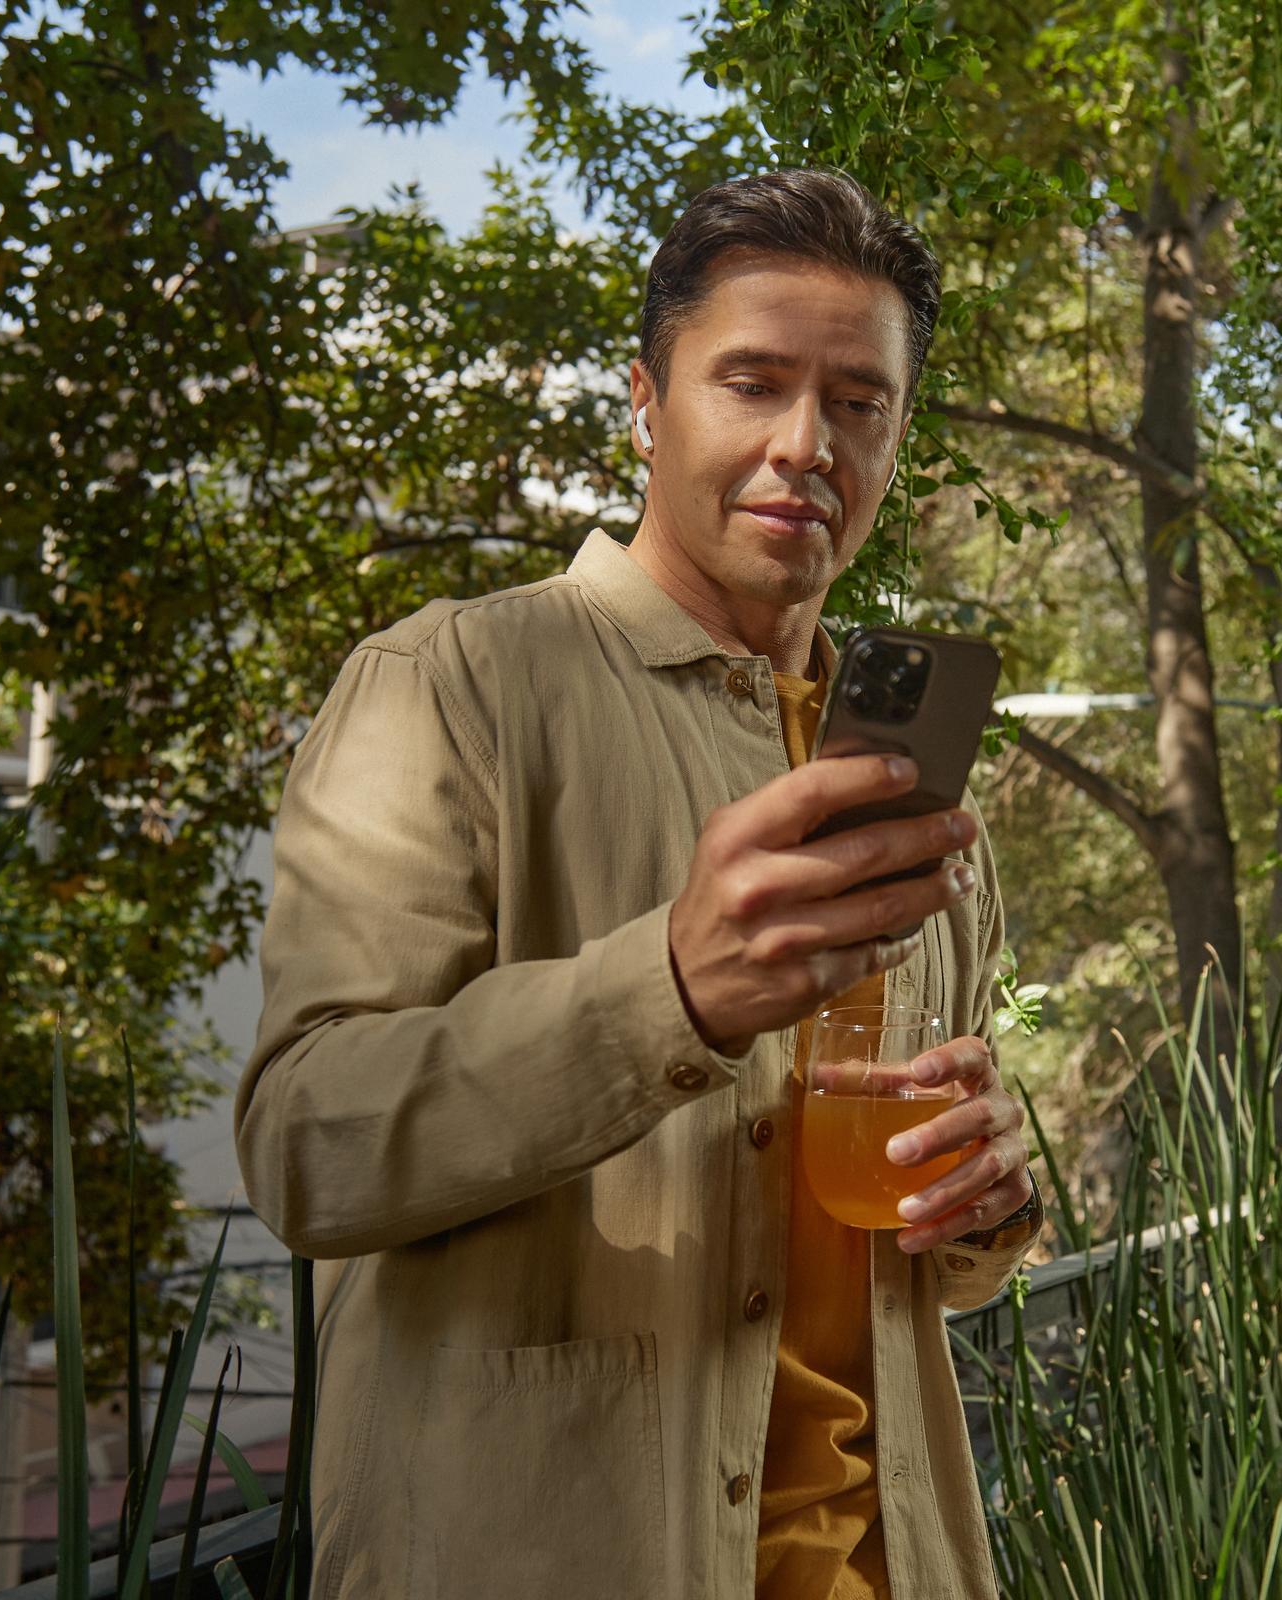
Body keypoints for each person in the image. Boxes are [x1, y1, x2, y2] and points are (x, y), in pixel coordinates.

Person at [235, 167, 1044, 1599]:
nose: (808, 444)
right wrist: (669, 992)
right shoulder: (451, 687)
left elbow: (937, 1264)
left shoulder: (911, 793)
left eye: (859, 402)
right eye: (753, 381)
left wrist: (982, 1197)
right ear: (645, 402)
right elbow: (308, 1141)